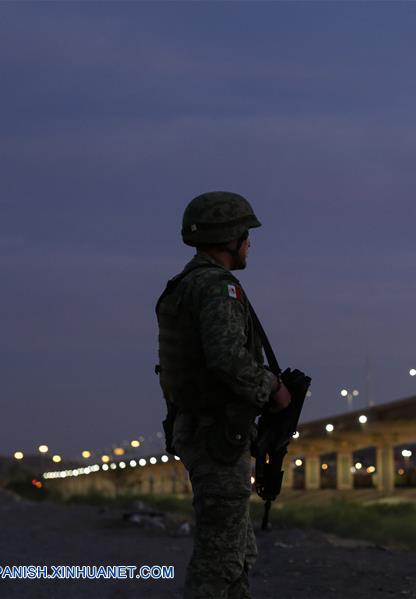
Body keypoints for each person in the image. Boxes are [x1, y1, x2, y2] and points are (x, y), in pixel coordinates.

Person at [156, 191, 291, 599]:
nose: (250, 243)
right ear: (229, 238)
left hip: (202, 428)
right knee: (219, 559)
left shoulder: (185, 285)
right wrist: (273, 389)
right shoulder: (216, 288)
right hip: (216, 435)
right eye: (246, 234)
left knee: (235, 550)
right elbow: (227, 359)